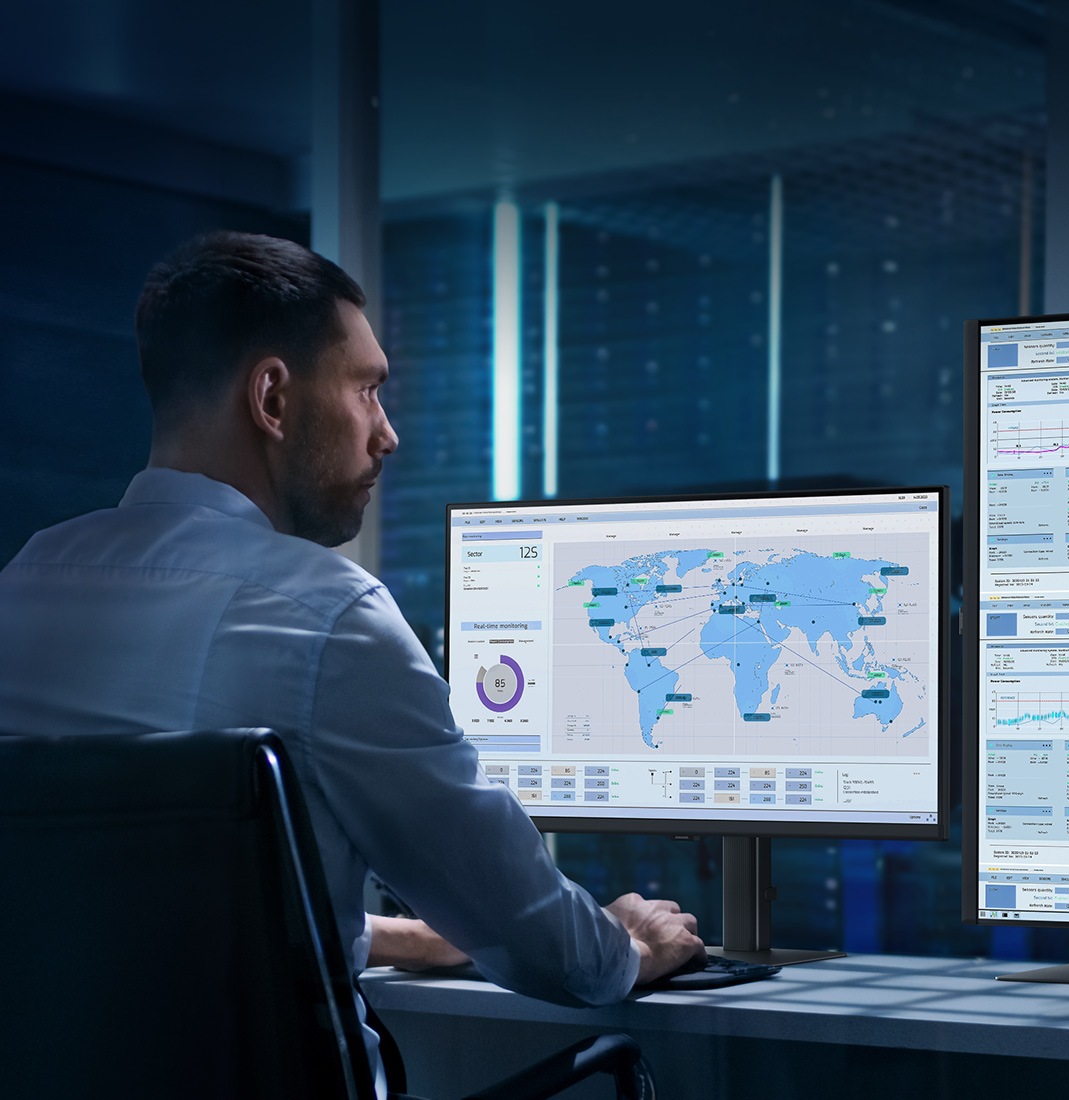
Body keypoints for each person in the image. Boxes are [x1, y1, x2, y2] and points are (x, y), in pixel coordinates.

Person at [0, 230, 705, 1090]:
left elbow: (113, 906)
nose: (389, 435)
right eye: (368, 389)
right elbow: (552, 952)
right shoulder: (329, 615)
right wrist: (631, 947)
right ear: (272, 398)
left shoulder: (25, 586)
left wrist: (397, 935)